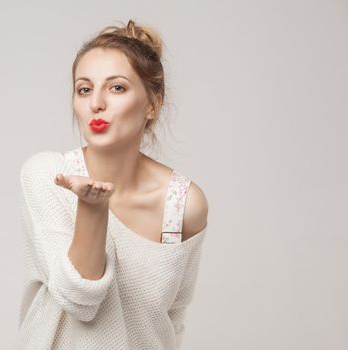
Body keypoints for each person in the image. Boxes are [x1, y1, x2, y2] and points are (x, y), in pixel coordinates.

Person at [14, 19, 209, 350]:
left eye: (116, 87)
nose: (96, 103)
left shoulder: (182, 204)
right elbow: (79, 300)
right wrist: (93, 208)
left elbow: (172, 319)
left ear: (152, 104)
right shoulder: (48, 176)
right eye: (84, 89)